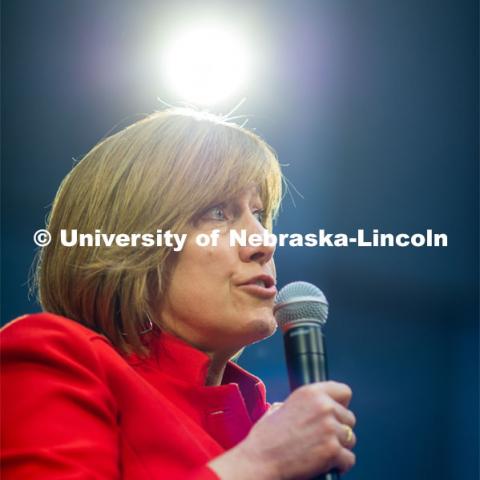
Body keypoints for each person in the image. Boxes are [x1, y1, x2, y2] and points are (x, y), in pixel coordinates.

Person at [0, 108, 357, 479]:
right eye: (219, 212)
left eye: (259, 214)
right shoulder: (53, 356)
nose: (263, 241)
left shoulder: (261, 427)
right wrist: (260, 464)